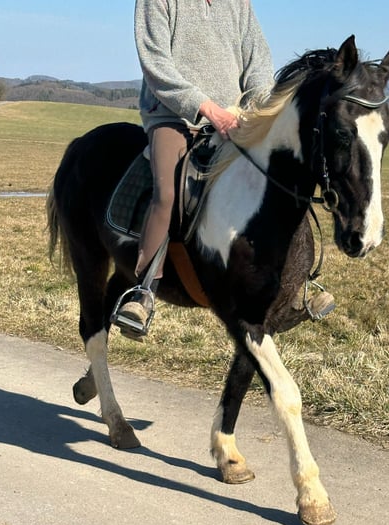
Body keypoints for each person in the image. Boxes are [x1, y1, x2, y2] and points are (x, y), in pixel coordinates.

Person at [115, 0, 333, 340]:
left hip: (234, 118)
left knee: (277, 178)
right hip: (174, 117)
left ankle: (295, 287)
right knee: (169, 192)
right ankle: (143, 291)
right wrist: (208, 109)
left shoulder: (238, 3)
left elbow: (258, 62)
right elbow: (156, 64)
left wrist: (260, 107)